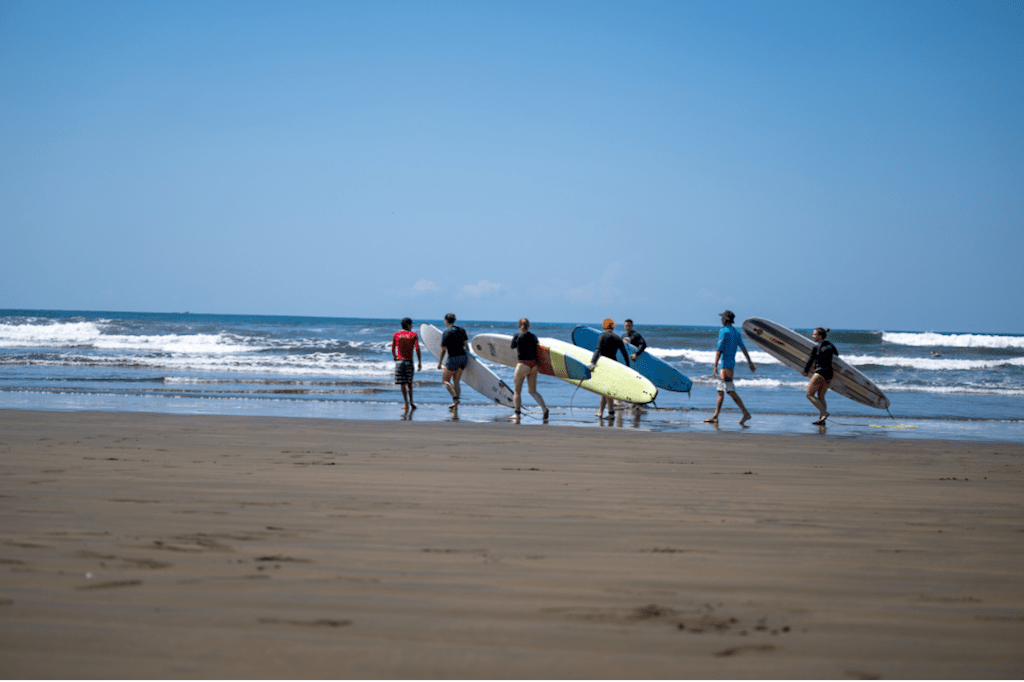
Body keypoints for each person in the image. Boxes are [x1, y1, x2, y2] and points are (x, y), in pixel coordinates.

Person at [705, 310, 755, 425]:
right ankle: (715, 416)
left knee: (730, 391)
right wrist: (750, 362)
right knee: (721, 391)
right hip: (731, 365)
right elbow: (743, 348)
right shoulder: (736, 332)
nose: (721, 320)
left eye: (722, 318)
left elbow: (719, 349)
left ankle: (745, 413)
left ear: (726, 319)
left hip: (725, 366)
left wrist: (715, 365)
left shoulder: (723, 331)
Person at [588, 318, 629, 419]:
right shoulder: (617, 337)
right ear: (613, 326)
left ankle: (611, 413)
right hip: (613, 365)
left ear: (604, 326)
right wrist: (628, 366)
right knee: (604, 390)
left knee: (606, 390)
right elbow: (624, 353)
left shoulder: (602, 337)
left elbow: (598, 350)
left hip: (603, 365)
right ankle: (601, 412)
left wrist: (592, 362)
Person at [510, 318, 549, 421]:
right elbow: (539, 350)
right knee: (532, 391)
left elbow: (512, 346)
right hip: (534, 366)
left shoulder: (517, 336)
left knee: (517, 391)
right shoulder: (533, 337)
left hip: (523, 365)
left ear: (519, 326)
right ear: (529, 326)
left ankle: (517, 415)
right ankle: (544, 409)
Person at [803, 327, 838, 425]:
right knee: (821, 396)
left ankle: (824, 413)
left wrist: (805, 371)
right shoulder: (830, 346)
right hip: (829, 374)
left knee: (809, 395)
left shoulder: (816, 347)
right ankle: (822, 419)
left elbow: (811, 360)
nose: (812, 336)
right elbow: (836, 355)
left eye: (814, 334)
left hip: (820, 373)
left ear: (819, 336)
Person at [437, 313, 469, 410]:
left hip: (453, 358)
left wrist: (439, 362)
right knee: (456, 382)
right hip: (463, 358)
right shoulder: (462, 330)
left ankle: (455, 399)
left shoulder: (446, 332)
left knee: (445, 380)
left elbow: (443, 350)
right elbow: (467, 346)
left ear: (446, 321)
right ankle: (455, 404)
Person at [392, 317, 422, 411]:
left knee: (402, 384)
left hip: (400, 362)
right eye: (411, 324)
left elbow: (392, 349)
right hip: (409, 361)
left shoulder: (396, 334)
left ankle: (406, 404)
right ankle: (411, 402)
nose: (412, 326)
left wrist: (395, 356)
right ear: (408, 325)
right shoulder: (413, 335)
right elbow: (417, 348)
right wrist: (419, 362)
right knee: (409, 383)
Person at [620, 319, 648, 412]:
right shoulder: (623, 336)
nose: (627, 327)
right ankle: (622, 399)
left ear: (632, 326)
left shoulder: (635, 335)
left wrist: (636, 354)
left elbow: (643, 344)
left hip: (634, 362)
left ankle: (637, 400)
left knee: (635, 380)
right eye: (626, 326)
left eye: (629, 326)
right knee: (625, 380)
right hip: (626, 362)